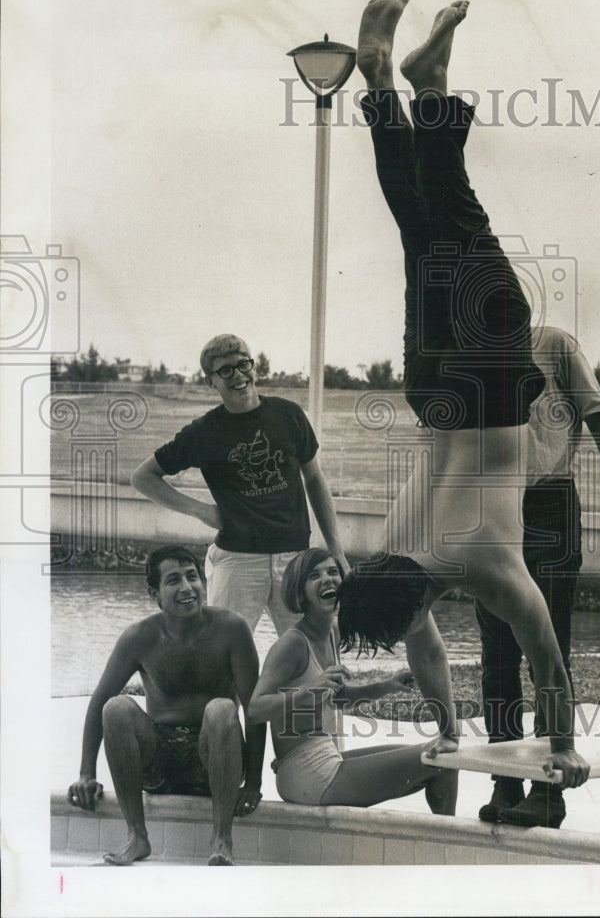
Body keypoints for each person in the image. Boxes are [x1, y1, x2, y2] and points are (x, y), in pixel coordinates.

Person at [335, 0, 590, 790]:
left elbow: (551, 665)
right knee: (423, 229)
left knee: (458, 216)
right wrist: (448, 730)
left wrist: (565, 749)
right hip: (428, 388)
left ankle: (424, 87)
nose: (419, 636)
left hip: (484, 392)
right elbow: (403, 624)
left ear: (416, 606)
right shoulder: (392, 553)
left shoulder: (482, 568)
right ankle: (383, 85)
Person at [476, 325, 600, 828]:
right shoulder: (472, 350)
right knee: (497, 657)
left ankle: (550, 789)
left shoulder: (555, 345)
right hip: (491, 505)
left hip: (549, 503)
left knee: (549, 649)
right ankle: (503, 778)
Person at [131, 333, 349, 634]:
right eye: (225, 370)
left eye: (242, 364)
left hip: (295, 555)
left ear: (253, 367)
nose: (237, 375)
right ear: (211, 382)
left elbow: (314, 478)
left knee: (314, 649)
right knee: (223, 651)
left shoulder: (289, 415)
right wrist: (202, 511)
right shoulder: (203, 432)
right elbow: (143, 477)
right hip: (237, 559)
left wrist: (336, 550)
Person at [66, 544, 266, 866]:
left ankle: (221, 838)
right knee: (116, 708)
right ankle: (136, 836)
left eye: (193, 577)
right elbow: (99, 702)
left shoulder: (232, 629)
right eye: (173, 580)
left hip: (213, 756)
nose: (187, 588)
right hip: (158, 765)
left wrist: (253, 782)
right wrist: (86, 772)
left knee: (221, 708)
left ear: (204, 582)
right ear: (155, 592)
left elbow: (255, 709)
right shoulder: (139, 637)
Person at [248, 548, 457, 814]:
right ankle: (445, 851)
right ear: (299, 593)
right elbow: (256, 708)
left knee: (438, 753)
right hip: (305, 772)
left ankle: (443, 842)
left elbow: (336, 698)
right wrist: (310, 690)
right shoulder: (292, 644)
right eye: (314, 575)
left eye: (333, 572)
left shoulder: (331, 633)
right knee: (443, 760)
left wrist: (387, 686)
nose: (328, 579)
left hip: (324, 758)